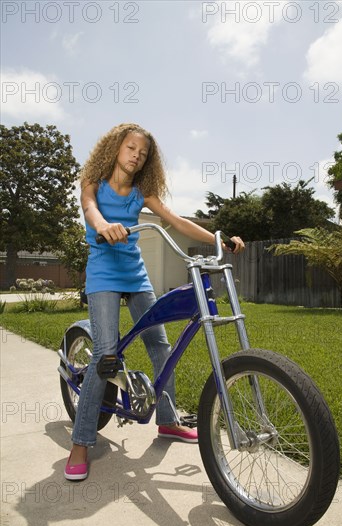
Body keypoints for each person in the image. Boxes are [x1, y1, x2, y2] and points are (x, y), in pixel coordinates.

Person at [64, 123, 244, 481]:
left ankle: (167, 420)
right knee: (105, 353)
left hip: (134, 274)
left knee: (160, 345)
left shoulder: (141, 194)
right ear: (115, 148)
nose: (136, 155)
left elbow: (176, 221)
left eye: (143, 153)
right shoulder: (93, 183)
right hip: (103, 272)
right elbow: (90, 209)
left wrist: (218, 240)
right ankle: (81, 442)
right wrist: (102, 224)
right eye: (131, 148)